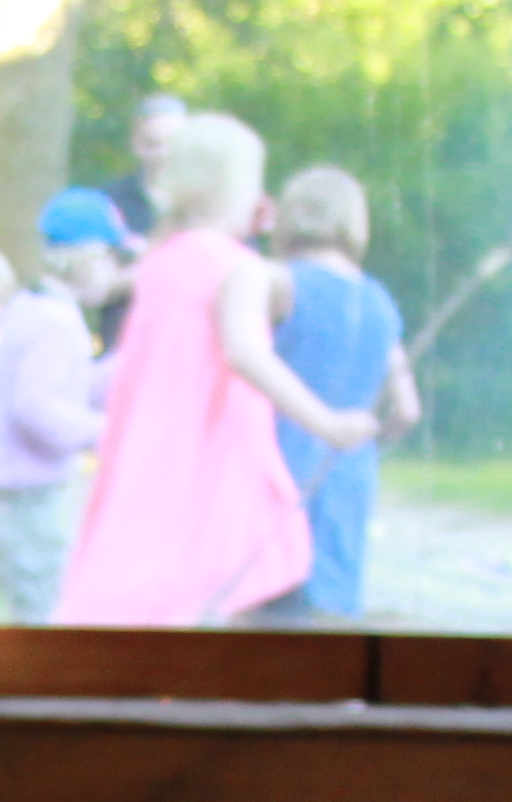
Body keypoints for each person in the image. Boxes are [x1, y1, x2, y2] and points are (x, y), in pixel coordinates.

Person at [54, 111, 372, 626]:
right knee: (240, 562)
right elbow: (246, 353)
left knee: (148, 572)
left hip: (154, 442)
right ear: (239, 187)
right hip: (215, 443)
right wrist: (328, 423)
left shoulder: (161, 259)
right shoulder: (238, 267)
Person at [256, 163, 422, 622]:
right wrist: (369, 439)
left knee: (266, 606)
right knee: (330, 611)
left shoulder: (277, 284)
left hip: (277, 458)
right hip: (349, 468)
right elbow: (407, 409)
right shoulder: (378, 299)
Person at [0, 186, 126, 621]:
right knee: (46, 609)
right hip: (27, 496)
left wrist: (126, 369)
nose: (116, 271)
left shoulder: (35, 305)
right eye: (112, 257)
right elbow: (36, 408)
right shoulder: (54, 321)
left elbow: (65, 387)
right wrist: (111, 434)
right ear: (86, 258)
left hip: (20, 490)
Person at [95, 89, 185, 238]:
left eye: (173, 143)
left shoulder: (206, 202)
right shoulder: (109, 202)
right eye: (152, 144)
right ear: (134, 143)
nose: (163, 153)